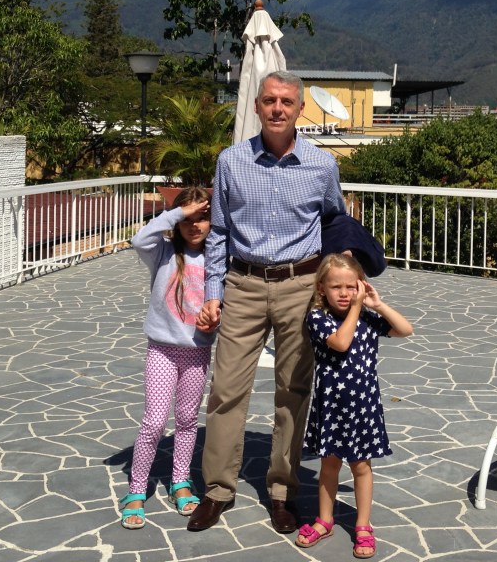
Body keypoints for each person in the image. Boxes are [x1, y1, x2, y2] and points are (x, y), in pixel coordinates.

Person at [187, 70, 347, 534]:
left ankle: (282, 491)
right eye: (270, 100)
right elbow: (219, 233)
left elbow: (335, 224)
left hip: (301, 287)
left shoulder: (322, 165)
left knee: (293, 393)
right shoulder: (231, 161)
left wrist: (338, 291)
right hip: (243, 284)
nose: (278, 108)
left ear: (300, 109)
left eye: (286, 101)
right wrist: (213, 293)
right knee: (225, 391)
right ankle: (218, 490)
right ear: (257, 106)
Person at [295, 253, 413, 559]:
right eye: (336, 287)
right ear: (321, 288)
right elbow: (341, 342)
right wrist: (358, 309)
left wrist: (378, 305)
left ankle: (362, 525)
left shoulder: (367, 316)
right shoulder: (317, 317)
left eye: (351, 286)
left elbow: (405, 329)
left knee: (361, 466)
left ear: (360, 286)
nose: (345, 293)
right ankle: (325, 519)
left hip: (363, 407)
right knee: (329, 464)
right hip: (331, 406)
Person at [119, 187, 214, 529]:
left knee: (187, 420)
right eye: (187, 219)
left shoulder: (217, 260)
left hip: (197, 351)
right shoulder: (161, 252)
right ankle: (136, 489)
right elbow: (138, 239)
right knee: (155, 422)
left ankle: (180, 482)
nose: (194, 225)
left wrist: (216, 319)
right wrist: (177, 213)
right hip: (162, 349)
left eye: (201, 218)